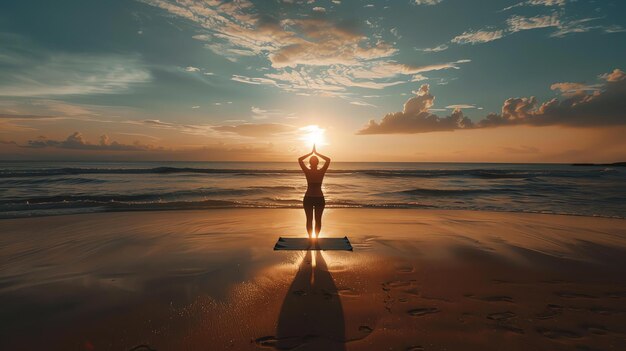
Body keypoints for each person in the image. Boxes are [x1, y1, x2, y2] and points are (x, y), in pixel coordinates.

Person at [298, 145, 331, 238]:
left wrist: (310, 153)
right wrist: (316, 153)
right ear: (317, 163)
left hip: (308, 198)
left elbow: (300, 159)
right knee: (318, 220)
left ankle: (310, 238)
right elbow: (328, 160)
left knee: (309, 220)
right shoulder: (321, 171)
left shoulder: (307, 171)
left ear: (309, 162)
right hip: (319, 198)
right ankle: (315, 238)